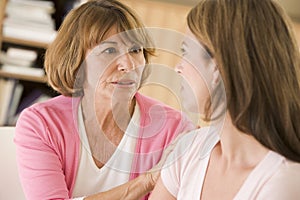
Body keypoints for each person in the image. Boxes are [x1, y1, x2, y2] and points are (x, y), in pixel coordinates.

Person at [14, 1, 194, 200]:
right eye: (109, 50)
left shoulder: (175, 129)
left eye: (135, 50)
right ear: (76, 61)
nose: (128, 64)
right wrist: (147, 182)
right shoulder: (42, 123)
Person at [149, 0, 300, 199]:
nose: (178, 67)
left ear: (217, 66)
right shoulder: (189, 150)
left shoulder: (282, 183)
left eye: (185, 51)